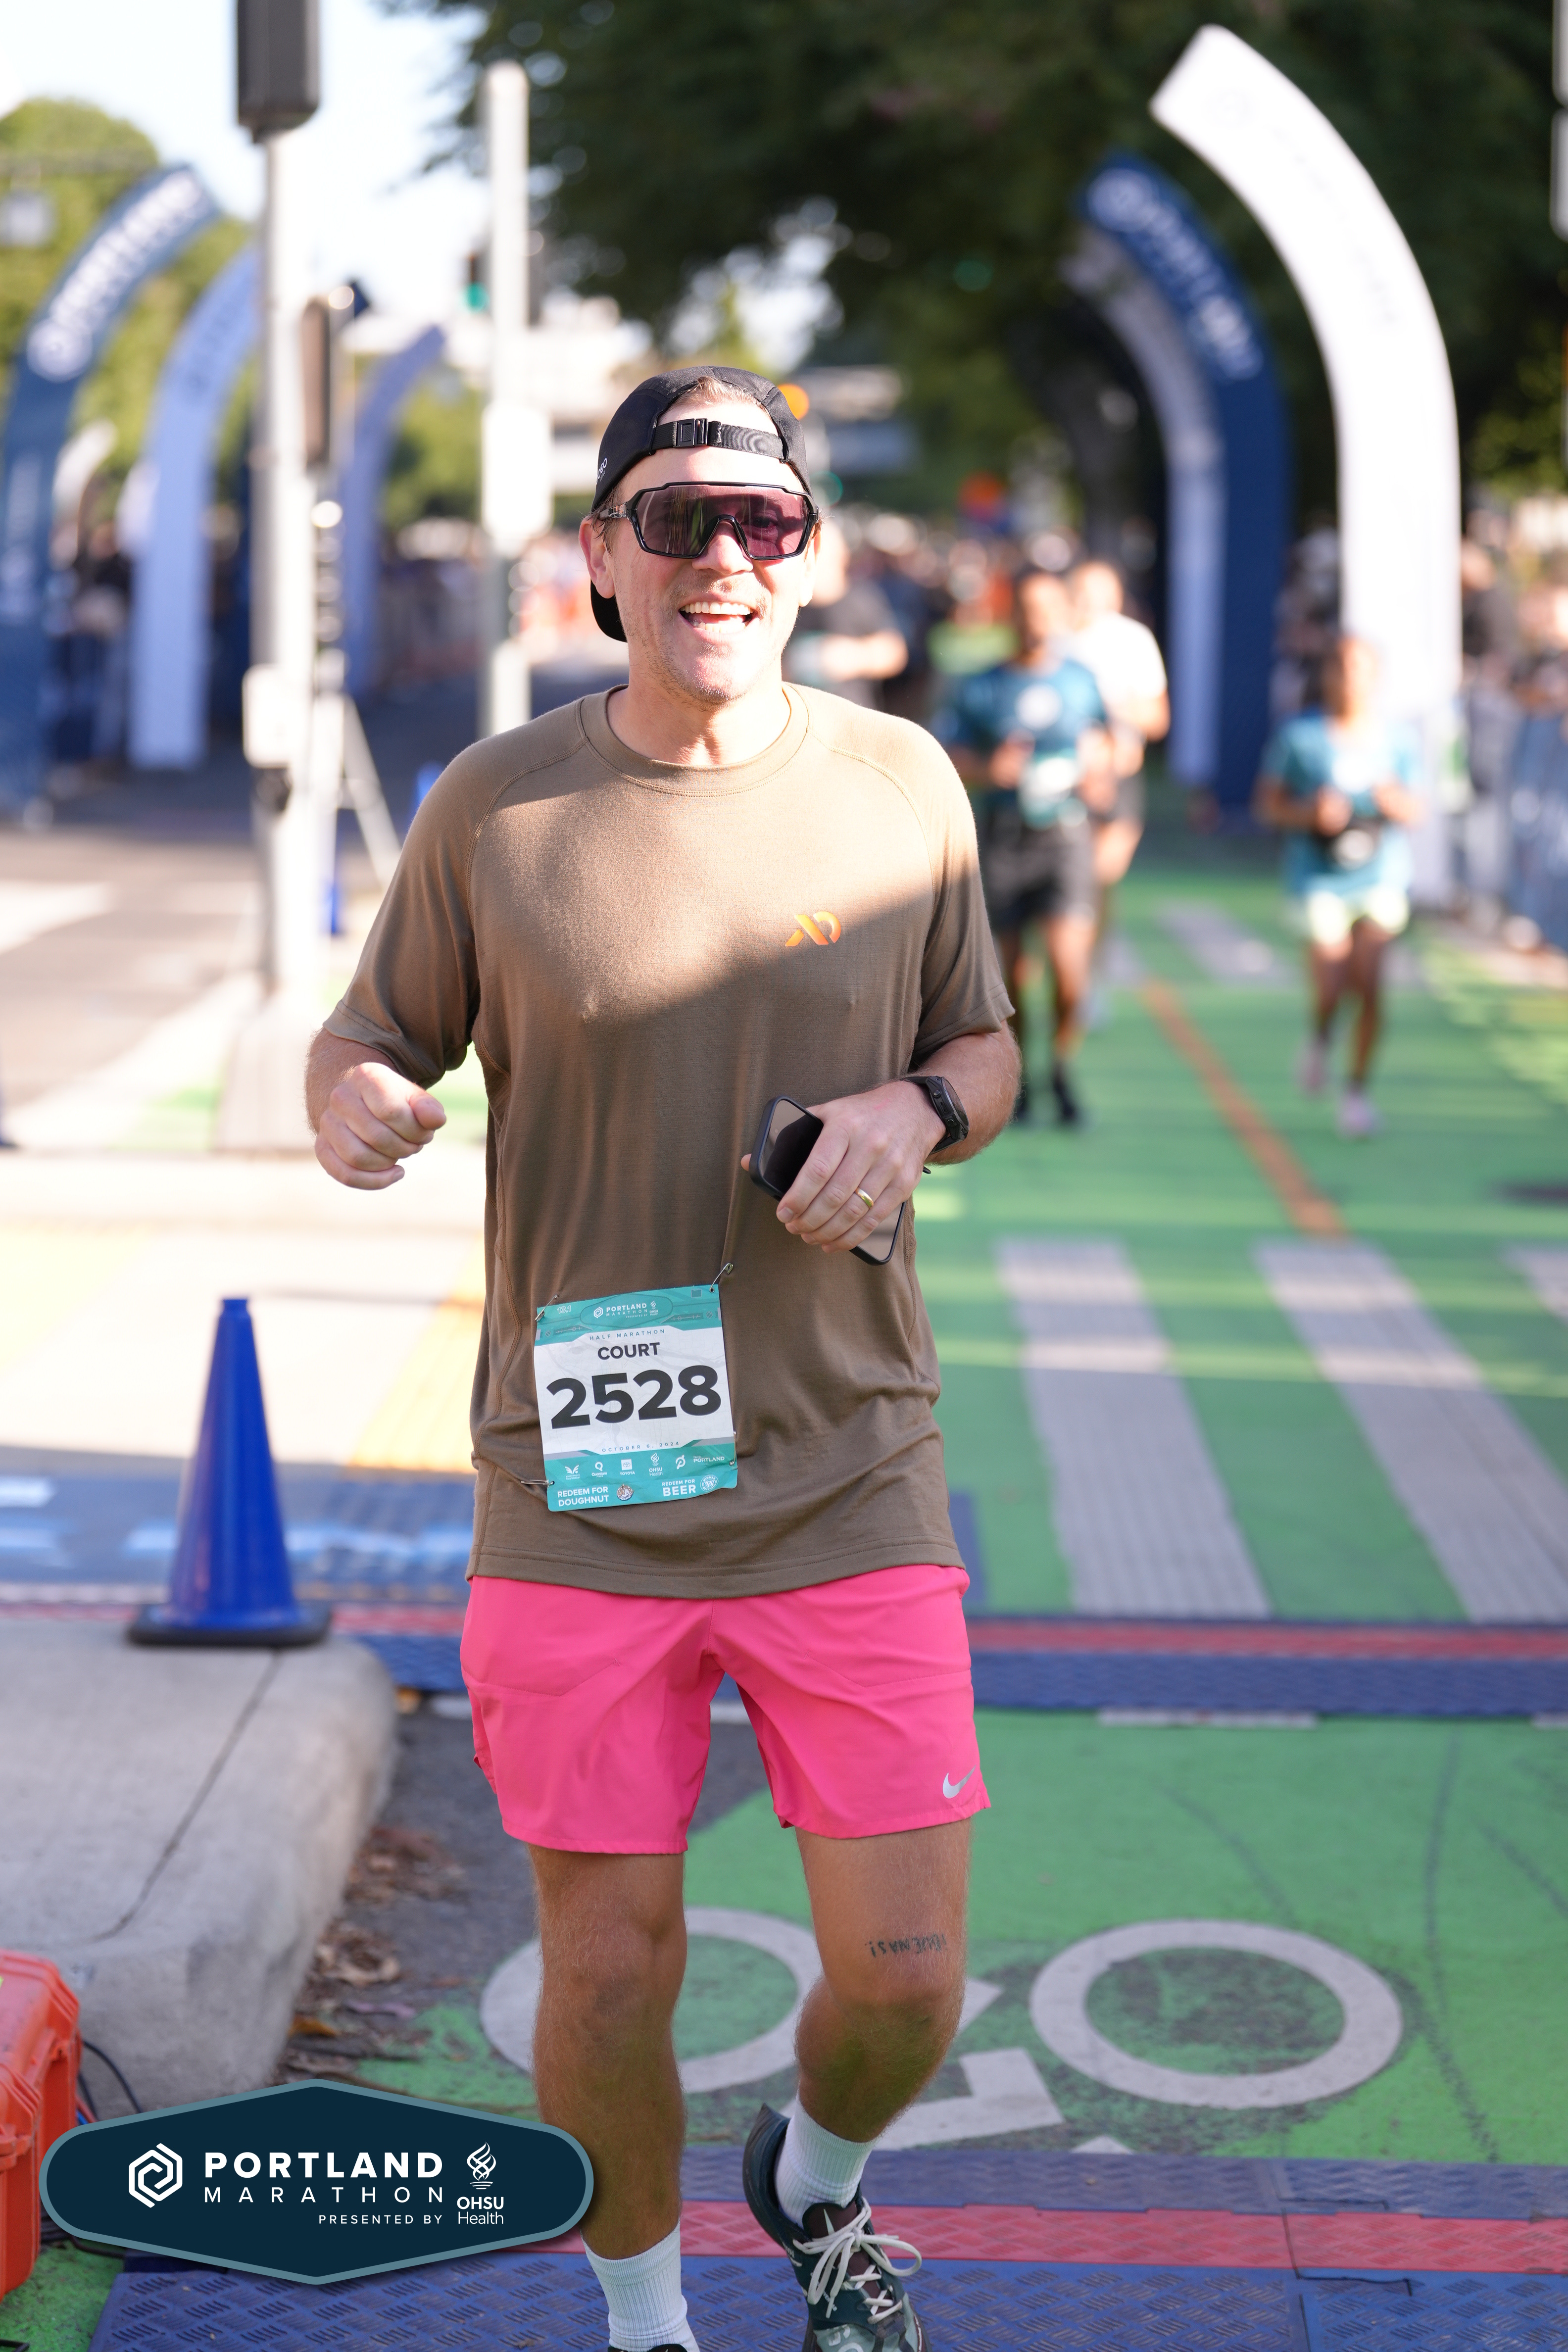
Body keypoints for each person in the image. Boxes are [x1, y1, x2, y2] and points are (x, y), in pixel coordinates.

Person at [307, 364, 1017, 2352]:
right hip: (582, 1477)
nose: (723, 556)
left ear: (809, 556)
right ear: (601, 555)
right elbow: (370, 1035)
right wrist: (353, 1097)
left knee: (905, 1974)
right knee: (606, 1972)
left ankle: (817, 2173)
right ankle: (646, 2321)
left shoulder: (900, 786)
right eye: (677, 519)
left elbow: (982, 1045)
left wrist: (916, 1115)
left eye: (760, 520)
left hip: (846, 1461)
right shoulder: (496, 805)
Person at [938, 565, 1114, 1126]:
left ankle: (1061, 1066)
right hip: (1005, 839)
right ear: (1009, 613)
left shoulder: (1082, 681)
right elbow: (946, 756)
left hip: (1066, 836)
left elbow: (1110, 750)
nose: (1037, 622)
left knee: (1069, 970)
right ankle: (1023, 1080)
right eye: (1027, 610)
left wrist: (1099, 777)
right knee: (1013, 979)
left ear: (1064, 615)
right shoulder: (982, 685)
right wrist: (989, 769)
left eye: (1047, 610)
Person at [1253, 633, 1424, 1138]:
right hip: (1319, 877)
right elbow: (1269, 804)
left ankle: (1356, 1090)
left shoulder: (1397, 740)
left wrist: (1393, 802)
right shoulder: (1301, 737)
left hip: (1380, 875)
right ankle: (1322, 1035)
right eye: (1342, 669)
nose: (1351, 681)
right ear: (1327, 676)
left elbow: (1417, 807)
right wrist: (1311, 814)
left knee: (1370, 983)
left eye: (1361, 670)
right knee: (1331, 984)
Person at [1063, 558, 1169, 920]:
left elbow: (1157, 719)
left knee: (1102, 874)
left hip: (1120, 771)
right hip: (1069, 774)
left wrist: (1113, 707)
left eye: (1102, 592)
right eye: (1084, 591)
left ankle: (1092, 951)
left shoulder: (1134, 640)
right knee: (1070, 877)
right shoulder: (1056, 641)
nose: (1092, 601)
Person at [783, 515, 909, 705]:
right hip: (799, 713)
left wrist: (851, 656)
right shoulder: (790, 603)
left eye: (823, 556)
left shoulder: (861, 599)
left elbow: (895, 652)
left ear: (842, 557)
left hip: (855, 712)